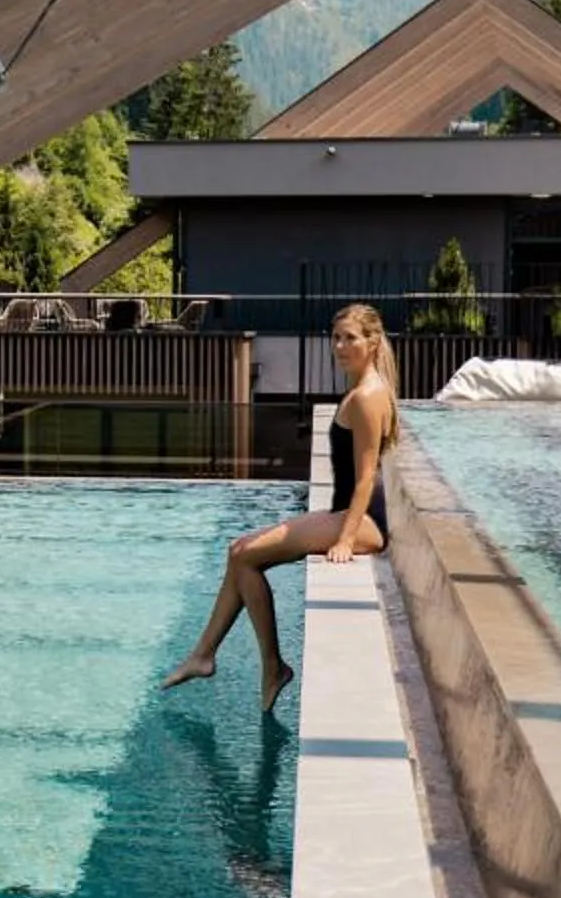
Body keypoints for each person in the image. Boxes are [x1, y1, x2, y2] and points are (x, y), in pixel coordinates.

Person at [163, 302, 400, 713]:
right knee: (239, 551)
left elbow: (366, 477)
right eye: (337, 337)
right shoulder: (365, 389)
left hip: (361, 522)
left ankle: (268, 666)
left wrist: (344, 539)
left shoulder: (367, 397)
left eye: (351, 338)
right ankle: (206, 655)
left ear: (373, 341)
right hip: (348, 514)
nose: (340, 346)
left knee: (246, 557)